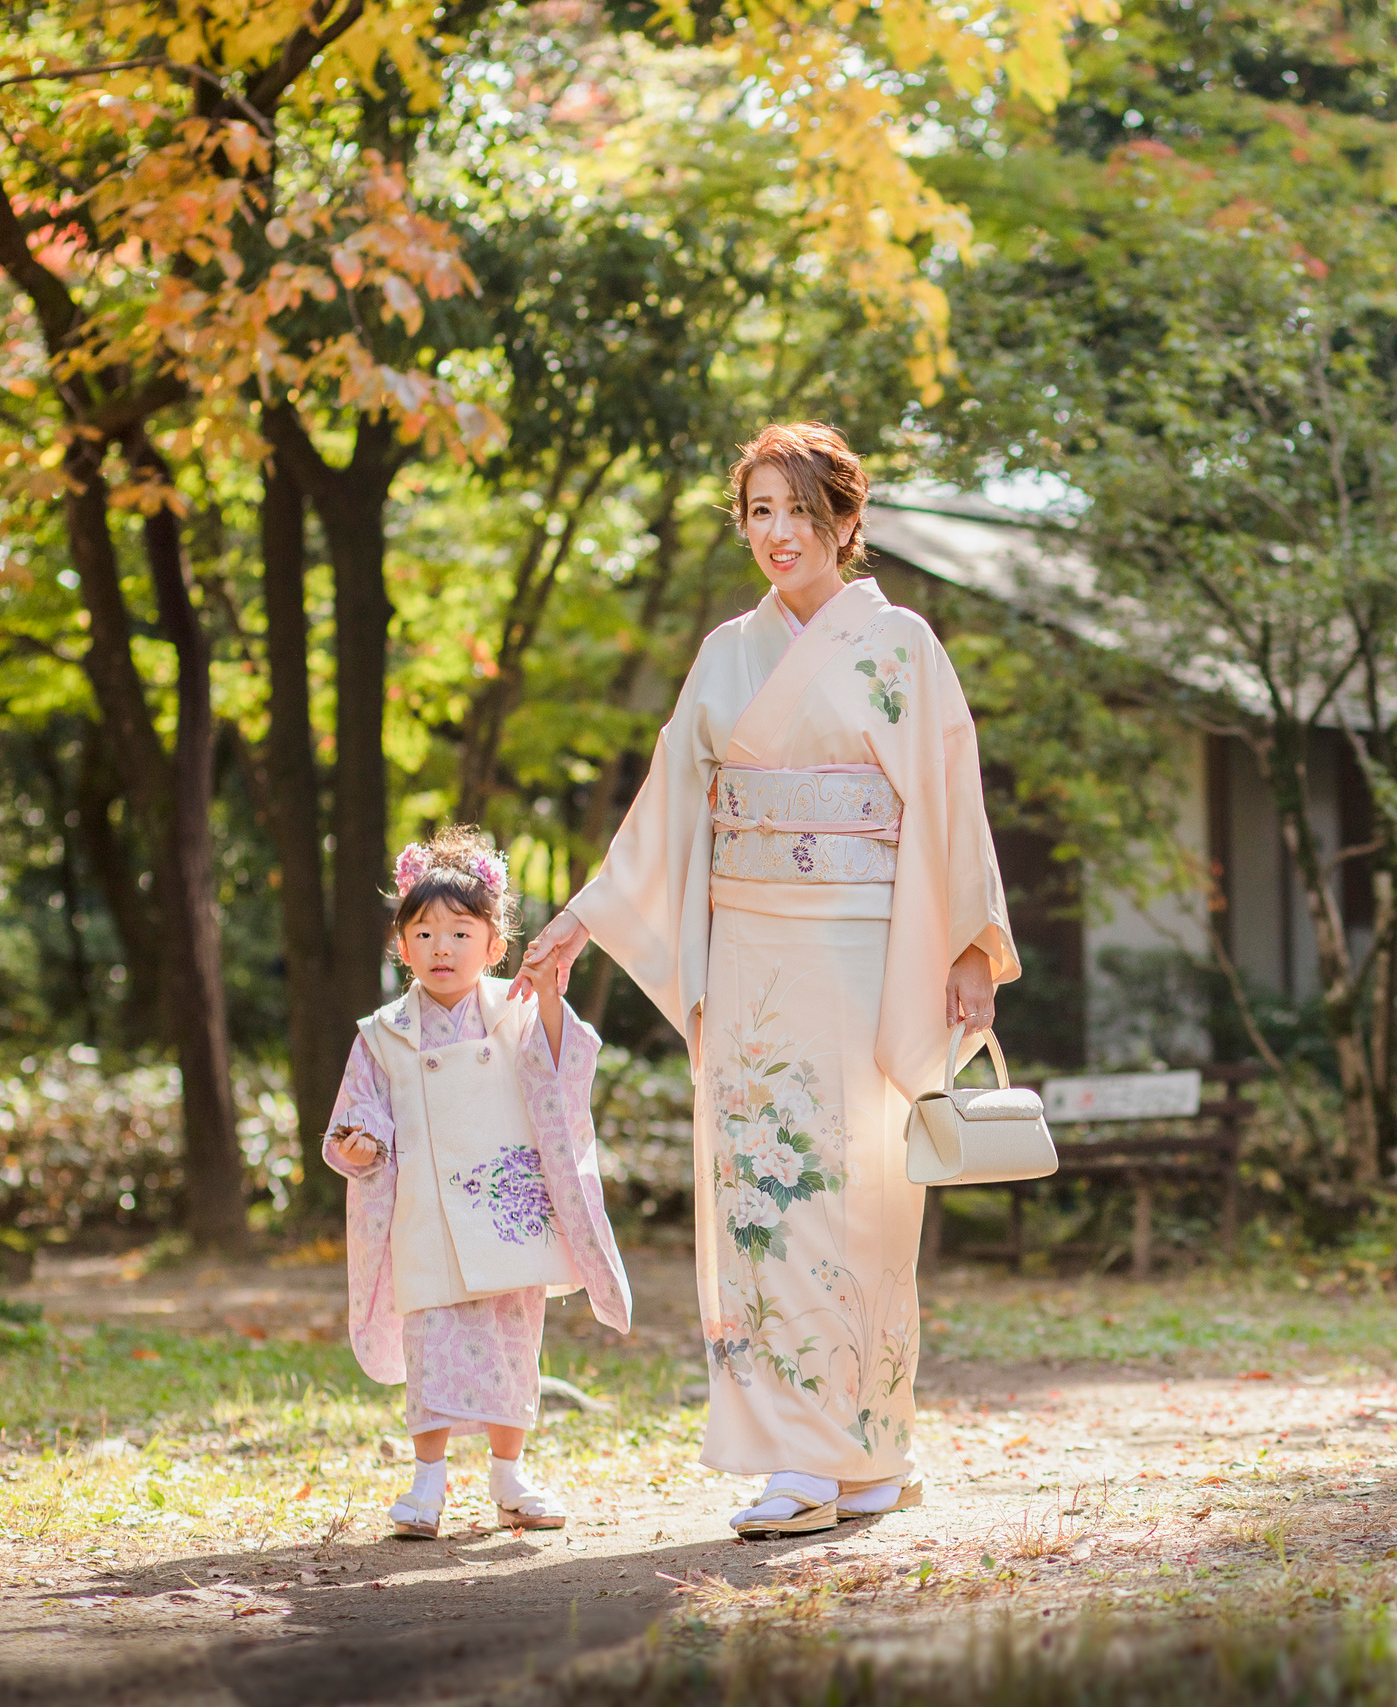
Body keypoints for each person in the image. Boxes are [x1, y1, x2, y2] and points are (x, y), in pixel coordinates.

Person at [517, 421, 1017, 1538]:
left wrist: (969, 949)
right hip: (751, 952)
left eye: (799, 510)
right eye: (759, 512)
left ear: (846, 520)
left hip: (864, 949)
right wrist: (583, 918)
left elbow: (951, 798)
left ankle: (868, 1447)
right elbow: (666, 807)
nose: (778, 532)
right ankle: (803, 1456)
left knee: (861, 1196)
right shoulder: (726, 653)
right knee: (765, 1185)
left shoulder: (901, 647)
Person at [324, 826, 632, 1540]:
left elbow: (561, 1069)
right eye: (425, 933)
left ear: (494, 945)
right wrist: (360, 1141)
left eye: (461, 933)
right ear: (403, 946)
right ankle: (427, 1480)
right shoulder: (384, 1033)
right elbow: (359, 1111)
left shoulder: (516, 1013)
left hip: (502, 1212)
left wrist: (549, 996)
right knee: (430, 1345)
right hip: (426, 1213)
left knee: (510, 1345)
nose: (442, 948)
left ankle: (508, 1474)